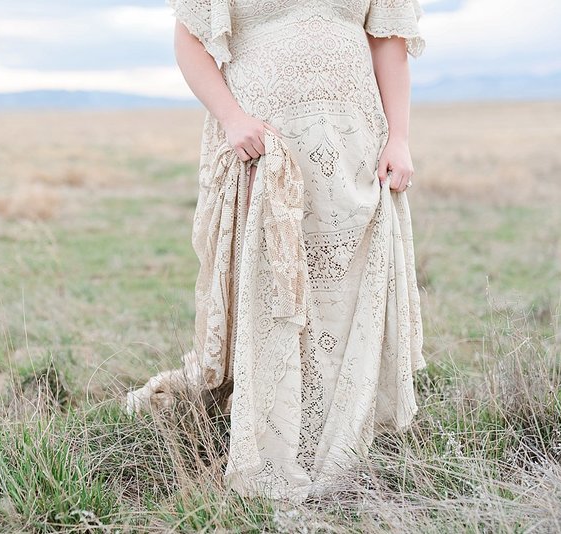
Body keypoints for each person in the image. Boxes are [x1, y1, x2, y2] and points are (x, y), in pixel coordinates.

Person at [139, 0, 428, 505]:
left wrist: (400, 138)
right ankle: (270, 446)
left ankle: (341, 447)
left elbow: (388, 41)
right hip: (264, 145)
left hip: (354, 147)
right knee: (275, 293)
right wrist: (232, 119)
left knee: (346, 293)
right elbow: (190, 41)